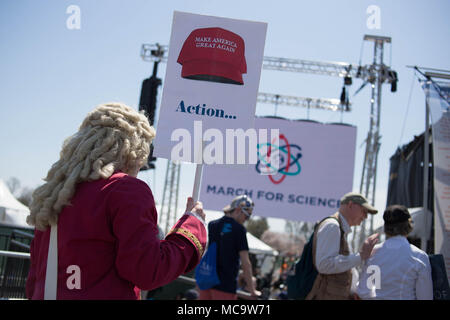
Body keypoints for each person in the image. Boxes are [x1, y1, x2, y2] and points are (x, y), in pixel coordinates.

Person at [25, 102, 207, 299]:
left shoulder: (55, 193)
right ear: (134, 152)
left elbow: (35, 279)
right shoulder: (125, 190)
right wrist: (192, 226)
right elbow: (148, 270)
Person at [306, 192, 379, 300]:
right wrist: (360, 256)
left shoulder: (339, 228)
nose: (365, 217)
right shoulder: (333, 226)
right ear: (350, 205)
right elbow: (324, 264)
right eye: (364, 211)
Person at [356, 205, 433, 300]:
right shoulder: (419, 256)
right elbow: (425, 297)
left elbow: (363, 291)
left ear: (386, 227)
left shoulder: (373, 253)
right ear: (409, 225)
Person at [198, 195, 260, 300]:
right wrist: (252, 290)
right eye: (247, 216)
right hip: (225, 285)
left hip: (206, 280)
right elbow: (246, 263)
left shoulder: (213, 225)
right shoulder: (239, 230)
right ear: (238, 210)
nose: (246, 220)